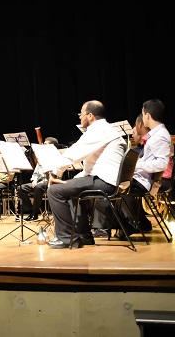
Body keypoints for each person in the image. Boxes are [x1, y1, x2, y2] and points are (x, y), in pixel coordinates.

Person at [46, 100, 127, 249]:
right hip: (108, 180)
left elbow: (73, 154)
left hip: (105, 181)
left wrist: (55, 174)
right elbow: (93, 166)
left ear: (90, 116)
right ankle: (84, 236)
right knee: (69, 189)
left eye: (81, 114)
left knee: (54, 191)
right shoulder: (108, 129)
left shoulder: (98, 130)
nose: (79, 118)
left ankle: (66, 238)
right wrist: (71, 181)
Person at [116, 99, 171, 238]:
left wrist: (135, 165)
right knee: (114, 183)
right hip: (143, 178)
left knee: (111, 185)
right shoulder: (156, 134)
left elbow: (161, 164)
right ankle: (131, 224)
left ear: (147, 115)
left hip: (146, 182)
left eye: (142, 113)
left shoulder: (160, 135)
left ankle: (129, 225)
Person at [18, 137, 59, 222]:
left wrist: (45, 180)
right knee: (20, 188)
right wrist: (34, 180)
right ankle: (29, 210)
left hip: (50, 181)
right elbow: (36, 172)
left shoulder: (57, 157)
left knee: (38, 188)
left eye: (45, 144)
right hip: (39, 181)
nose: (43, 145)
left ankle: (35, 213)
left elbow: (57, 174)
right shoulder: (42, 157)